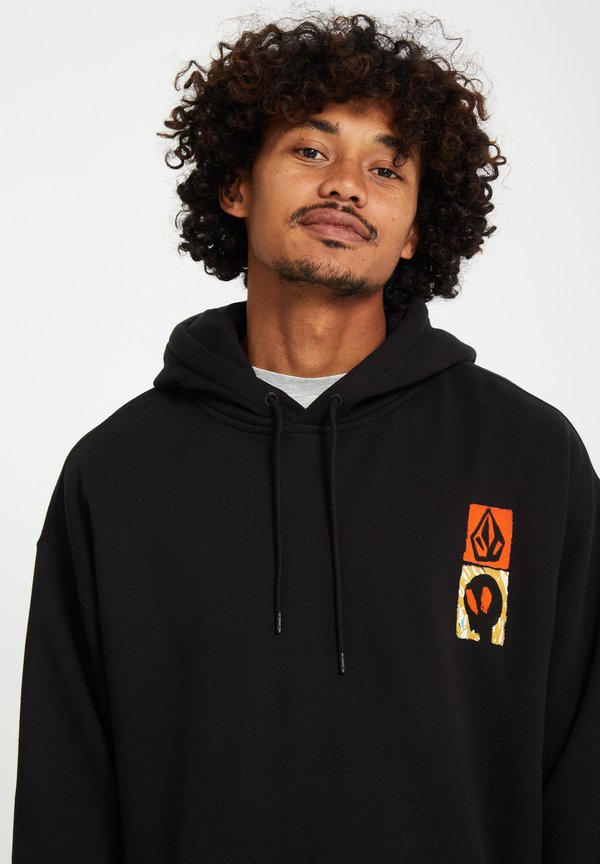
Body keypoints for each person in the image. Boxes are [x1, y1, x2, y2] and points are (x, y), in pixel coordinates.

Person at [12, 12, 599, 864]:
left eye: (386, 168)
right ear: (236, 186)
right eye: (311, 150)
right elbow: (64, 792)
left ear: (417, 229)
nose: (347, 186)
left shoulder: (530, 460)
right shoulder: (117, 473)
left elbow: (584, 778)